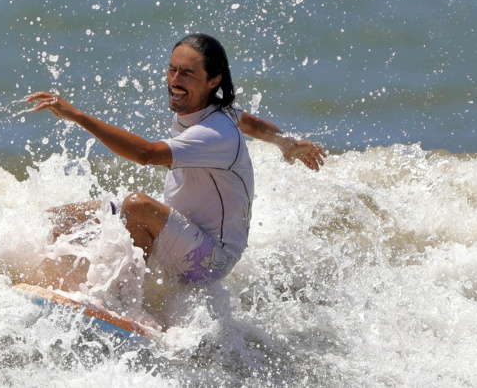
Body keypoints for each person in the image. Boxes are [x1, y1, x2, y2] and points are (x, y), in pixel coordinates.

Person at [26, 33, 326, 286]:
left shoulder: (214, 132)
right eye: (172, 70)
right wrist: (287, 144)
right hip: (183, 234)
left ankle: (126, 300)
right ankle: (48, 281)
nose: (174, 80)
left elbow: (145, 154)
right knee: (61, 219)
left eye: (187, 73)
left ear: (213, 81)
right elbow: (251, 124)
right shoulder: (213, 110)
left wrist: (77, 116)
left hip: (211, 259)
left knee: (138, 205)